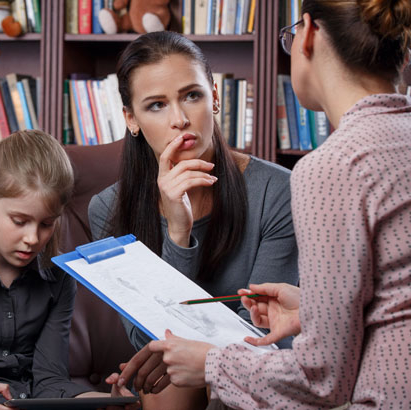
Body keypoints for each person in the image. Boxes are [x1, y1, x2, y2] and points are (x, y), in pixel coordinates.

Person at [117, 0, 411, 408]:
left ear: (308, 34)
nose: (179, 119)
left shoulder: (331, 168)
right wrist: (311, 309)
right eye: (157, 105)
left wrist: (212, 363)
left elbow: (320, 379)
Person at [88, 31, 299, 408]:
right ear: (131, 119)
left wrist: (197, 353)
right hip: (177, 376)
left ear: (215, 97)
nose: (180, 120)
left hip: (255, 369)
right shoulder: (108, 207)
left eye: (192, 96)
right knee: (169, 380)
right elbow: (144, 336)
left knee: (175, 369)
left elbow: (266, 331)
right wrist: (178, 232)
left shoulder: (277, 191)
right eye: (156, 105)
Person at [0, 130, 135, 410]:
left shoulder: (59, 277)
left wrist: (103, 402)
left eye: (46, 224)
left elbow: (50, 381)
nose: (33, 239)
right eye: (19, 221)